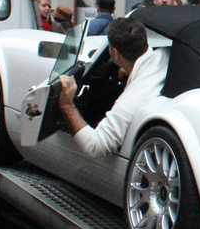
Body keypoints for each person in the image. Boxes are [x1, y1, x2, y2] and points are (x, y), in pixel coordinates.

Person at [55, 18, 168, 158]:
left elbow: (94, 146)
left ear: (114, 53)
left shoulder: (134, 97)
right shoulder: (167, 53)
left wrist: (67, 105)